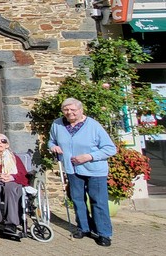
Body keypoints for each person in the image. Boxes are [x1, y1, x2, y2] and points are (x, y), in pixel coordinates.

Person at [49, 97, 117, 247]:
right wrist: (53, 147)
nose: (69, 113)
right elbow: (51, 140)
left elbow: (110, 149)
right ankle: (83, 228)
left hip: (95, 170)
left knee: (98, 201)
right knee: (77, 200)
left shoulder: (93, 126)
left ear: (81, 110)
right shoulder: (57, 124)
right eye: (66, 110)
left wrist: (89, 156)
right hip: (72, 169)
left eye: (73, 110)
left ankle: (104, 233)